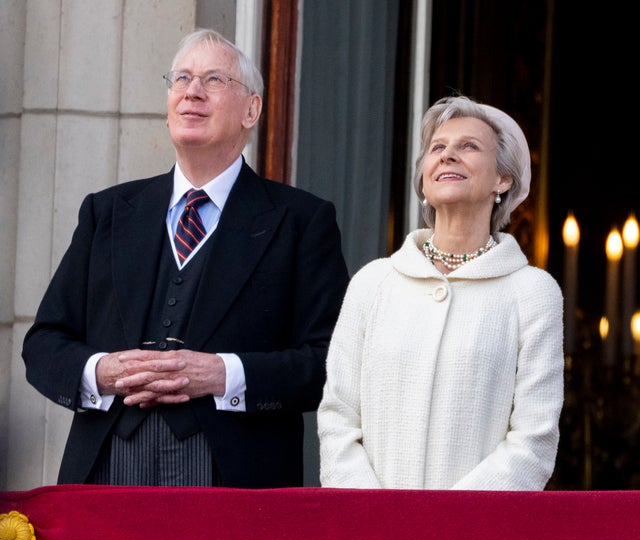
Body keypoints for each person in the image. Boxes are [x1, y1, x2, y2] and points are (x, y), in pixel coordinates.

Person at [22, 28, 349, 488]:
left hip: (235, 478)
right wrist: (103, 373)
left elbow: (330, 363)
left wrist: (223, 375)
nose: (192, 92)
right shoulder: (107, 212)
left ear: (251, 109)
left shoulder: (302, 221)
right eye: (182, 79)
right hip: (105, 469)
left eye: (214, 80)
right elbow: (43, 343)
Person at [317, 94, 564, 490]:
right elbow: (338, 415)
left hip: (474, 537)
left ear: (503, 179)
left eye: (468, 146)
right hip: (372, 535)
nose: (448, 155)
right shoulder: (373, 283)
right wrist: (370, 513)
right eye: (437, 147)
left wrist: (449, 523)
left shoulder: (533, 293)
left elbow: (533, 439)